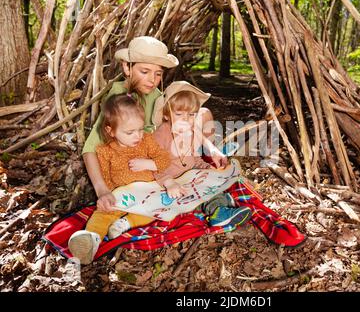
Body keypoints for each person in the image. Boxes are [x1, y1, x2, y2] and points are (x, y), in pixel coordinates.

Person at [81, 36, 225, 215]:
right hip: (145, 161)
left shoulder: (156, 94)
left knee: (203, 113)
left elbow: (178, 121)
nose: (152, 80)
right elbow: (90, 148)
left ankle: (203, 158)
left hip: (166, 149)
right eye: (144, 71)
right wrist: (102, 190)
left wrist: (210, 147)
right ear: (127, 67)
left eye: (158, 73)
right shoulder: (118, 100)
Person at [107, 81, 252, 239]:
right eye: (179, 114)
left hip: (189, 177)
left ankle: (219, 203)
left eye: (191, 115)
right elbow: (153, 164)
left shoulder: (190, 131)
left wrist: (203, 167)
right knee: (169, 201)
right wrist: (168, 182)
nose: (186, 119)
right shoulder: (161, 135)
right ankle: (218, 211)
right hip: (168, 182)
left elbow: (193, 157)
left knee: (211, 180)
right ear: (166, 114)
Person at [69, 89, 172, 265]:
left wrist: (149, 164)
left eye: (140, 129)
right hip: (121, 194)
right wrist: (106, 194)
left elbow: (164, 159)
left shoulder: (146, 141)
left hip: (147, 194)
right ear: (111, 131)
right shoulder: (105, 151)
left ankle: (127, 222)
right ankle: (91, 240)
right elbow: (105, 177)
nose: (137, 136)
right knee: (103, 213)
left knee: (158, 209)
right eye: (130, 132)